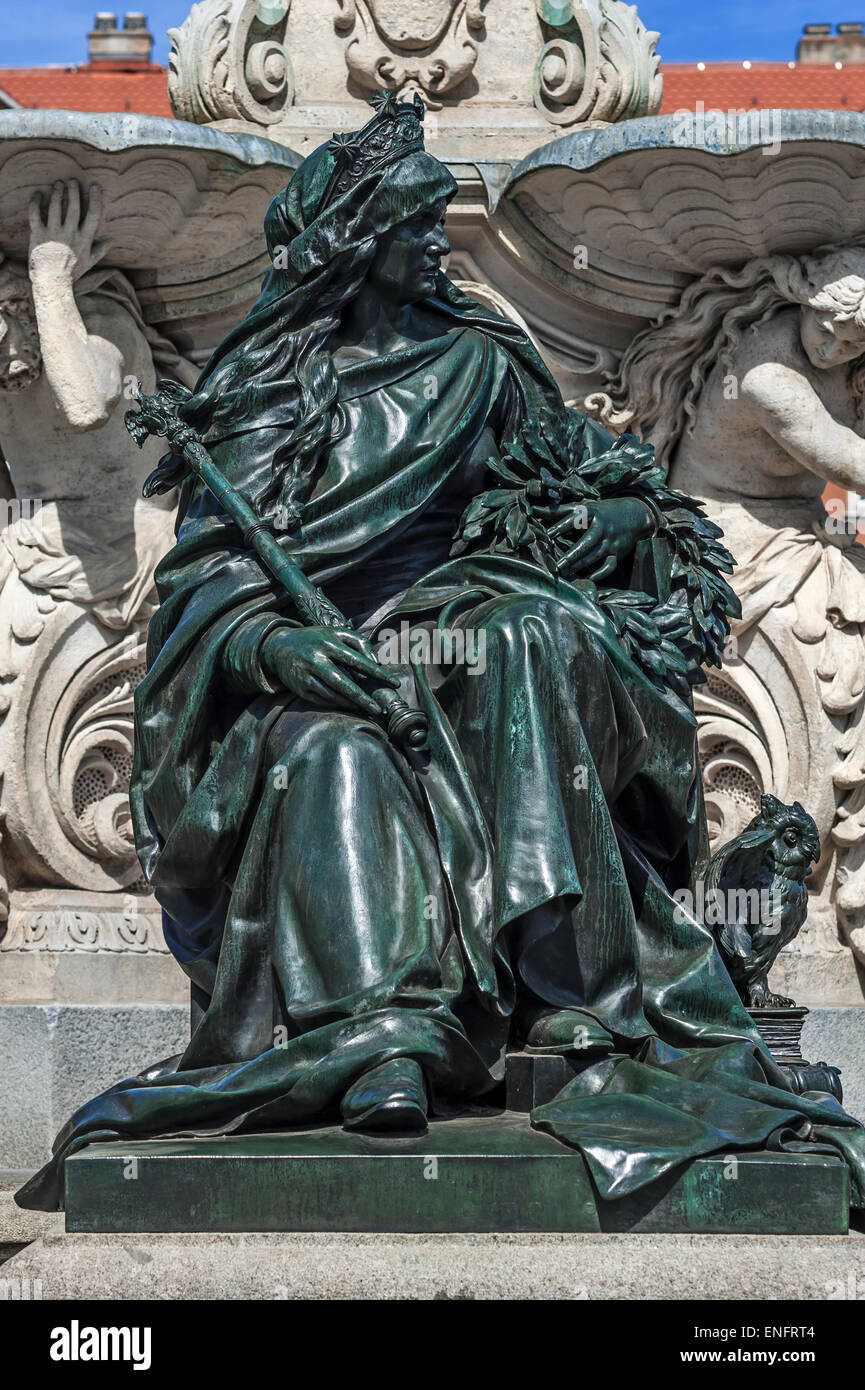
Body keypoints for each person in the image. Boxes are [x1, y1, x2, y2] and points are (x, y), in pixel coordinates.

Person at [18, 94, 865, 1212]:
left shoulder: (481, 364)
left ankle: (577, 992)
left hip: (468, 621)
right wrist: (282, 649)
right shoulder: (271, 389)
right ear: (360, 249)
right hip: (316, 659)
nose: (436, 242)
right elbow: (204, 585)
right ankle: (383, 1041)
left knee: (536, 633)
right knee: (326, 751)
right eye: (415, 225)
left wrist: (616, 527)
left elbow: (601, 492)